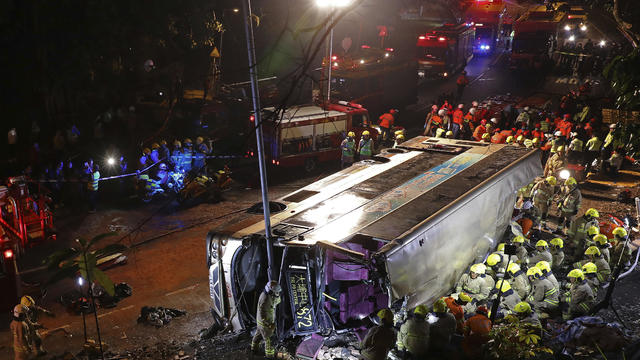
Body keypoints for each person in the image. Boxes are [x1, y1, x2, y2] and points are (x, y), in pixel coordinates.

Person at [251, 281, 281, 359]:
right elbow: (262, 313)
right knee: (269, 340)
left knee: (258, 335)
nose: (277, 293)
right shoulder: (266, 299)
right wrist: (268, 324)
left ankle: (254, 349)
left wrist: (277, 296)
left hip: (260, 322)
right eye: (276, 292)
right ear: (270, 290)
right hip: (265, 323)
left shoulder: (266, 295)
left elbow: (277, 301)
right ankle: (269, 356)